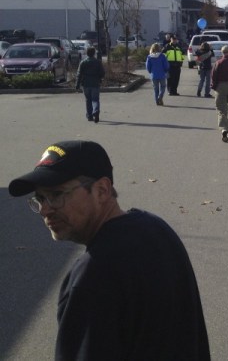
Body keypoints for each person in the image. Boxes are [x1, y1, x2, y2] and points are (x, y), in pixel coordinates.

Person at [8, 140, 210, 360]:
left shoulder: (93, 275)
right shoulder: (156, 229)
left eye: (56, 195)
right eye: (39, 198)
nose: (44, 209)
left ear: (102, 190)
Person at [75, 46, 105, 123]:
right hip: (95, 83)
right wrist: (99, 78)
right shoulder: (98, 62)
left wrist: (77, 84)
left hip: (85, 83)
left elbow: (79, 74)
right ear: (94, 53)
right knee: (95, 99)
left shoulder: (83, 62)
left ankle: (90, 116)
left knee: (88, 100)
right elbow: (102, 73)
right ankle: (96, 110)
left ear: (87, 53)